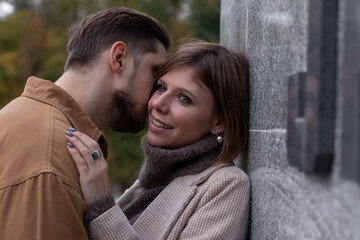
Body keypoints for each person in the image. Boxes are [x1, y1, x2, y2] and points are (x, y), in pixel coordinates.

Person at [0, 7, 170, 240]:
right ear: (119, 59)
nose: (158, 97)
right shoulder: (51, 153)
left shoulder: (19, 118)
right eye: (156, 74)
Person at [66, 41, 250, 239]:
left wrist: (102, 205)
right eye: (161, 88)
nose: (157, 104)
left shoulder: (227, 185)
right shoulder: (154, 180)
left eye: (184, 98)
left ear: (219, 122)